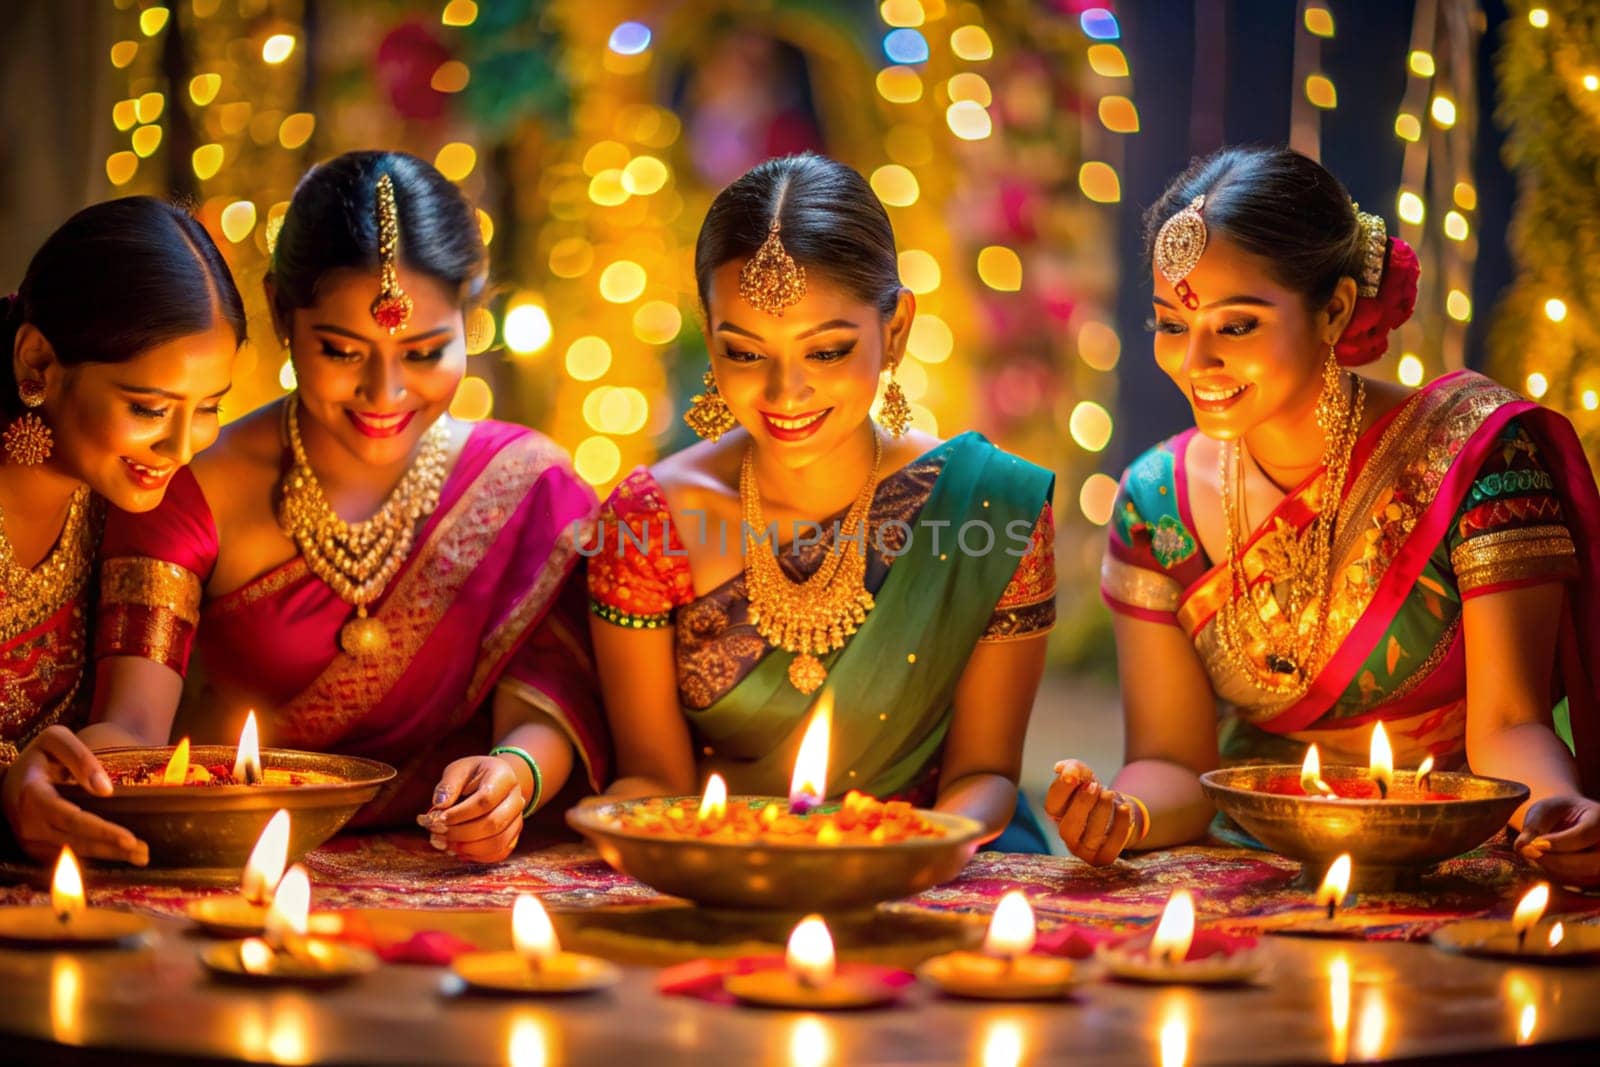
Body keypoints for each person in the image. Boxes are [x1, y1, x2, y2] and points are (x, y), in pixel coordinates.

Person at [7, 151, 604, 867]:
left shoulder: (525, 486)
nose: (384, 392)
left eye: (424, 352)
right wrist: (63, 779)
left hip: (450, 859)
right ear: (283, 316)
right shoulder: (189, 484)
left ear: (469, 325)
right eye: (342, 350)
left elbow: (546, 699)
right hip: (227, 856)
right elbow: (132, 728)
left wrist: (516, 775)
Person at [1051, 146, 1600, 884]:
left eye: (1236, 326)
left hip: (1450, 861)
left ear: (1335, 308)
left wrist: (1557, 807)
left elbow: (1511, 725)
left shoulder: (1471, 457)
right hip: (1250, 868)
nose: (1196, 362)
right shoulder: (1156, 500)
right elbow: (1174, 763)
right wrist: (1124, 813)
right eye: (1172, 325)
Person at [587, 153, 1057, 851]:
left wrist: (894, 852)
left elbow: (985, 772)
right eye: (745, 353)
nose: (785, 395)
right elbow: (655, 781)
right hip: (722, 868)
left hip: (935, 866)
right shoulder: (650, 521)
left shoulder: (989, 505)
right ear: (709, 336)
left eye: (828, 351)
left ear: (894, 329)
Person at [0, 198, 242, 864]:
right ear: (39, 362)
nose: (181, 445)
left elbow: (133, 730)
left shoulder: (143, 502)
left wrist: (58, 780)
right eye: (148, 407)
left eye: (210, 407)